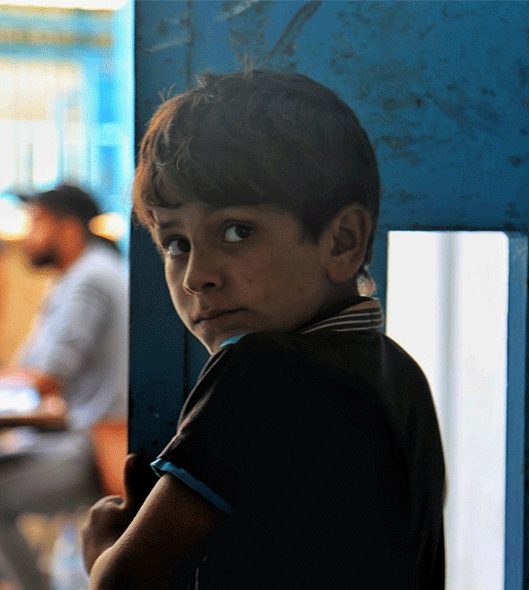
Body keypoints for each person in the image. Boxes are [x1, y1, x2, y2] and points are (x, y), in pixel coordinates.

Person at [82, 70, 445, 589]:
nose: (195, 274)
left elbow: (126, 581)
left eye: (236, 231)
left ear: (343, 240)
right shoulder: (400, 373)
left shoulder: (261, 370)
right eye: (176, 242)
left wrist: (100, 551)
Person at [0, 183, 128, 589]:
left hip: (100, 444)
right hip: (87, 433)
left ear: (69, 230)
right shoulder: (86, 274)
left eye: (38, 222)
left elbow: (44, 376)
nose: (27, 235)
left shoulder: (88, 279)